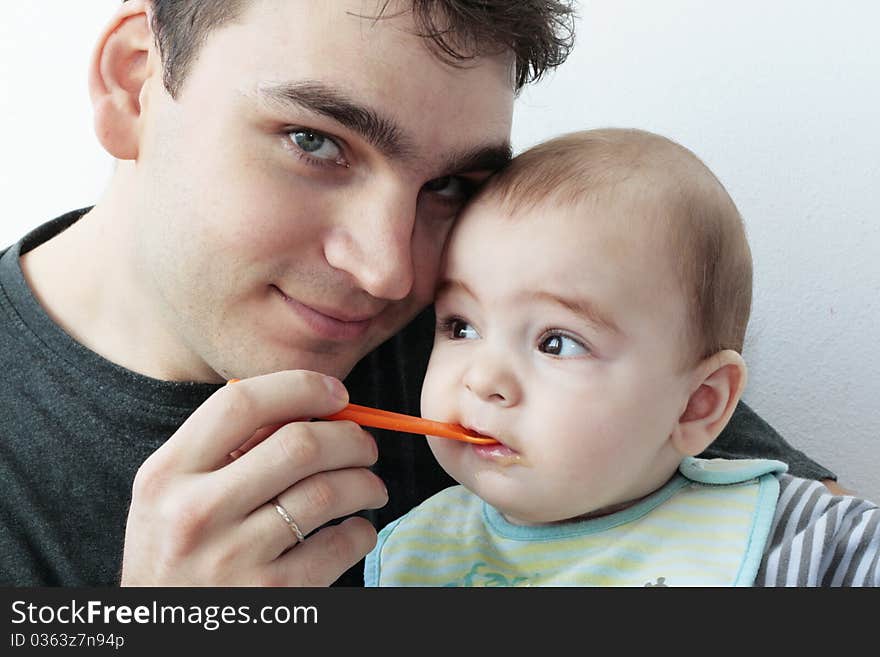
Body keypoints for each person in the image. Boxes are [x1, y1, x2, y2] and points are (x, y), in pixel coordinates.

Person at [0, 0, 836, 588]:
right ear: (132, 81)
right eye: (314, 141)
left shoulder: (495, 328)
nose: (388, 272)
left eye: (450, 185)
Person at [365, 129, 879, 586]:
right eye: (462, 327)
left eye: (556, 342)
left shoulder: (792, 537)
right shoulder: (413, 552)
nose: (483, 380)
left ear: (696, 405)